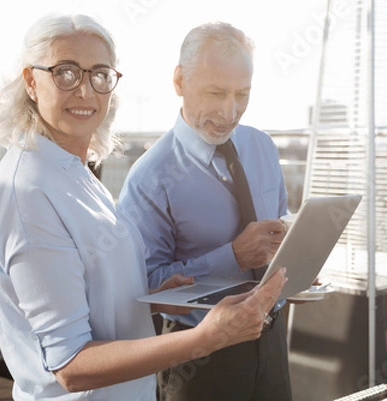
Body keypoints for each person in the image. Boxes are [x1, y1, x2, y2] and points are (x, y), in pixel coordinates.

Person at [0, 13, 287, 401]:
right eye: (66, 73)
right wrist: (206, 338)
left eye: (99, 74)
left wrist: (153, 295)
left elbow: (94, 294)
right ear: (31, 82)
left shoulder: (75, 174)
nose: (86, 92)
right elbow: (70, 366)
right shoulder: (24, 192)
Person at [118, 21, 293, 400]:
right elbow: (144, 288)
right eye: (215, 92)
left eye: (242, 94)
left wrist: (296, 263)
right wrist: (232, 257)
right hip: (199, 355)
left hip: (273, 337)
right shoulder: (149, 177)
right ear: (180, 81)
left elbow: (279, 229)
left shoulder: (262, 147)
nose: (230, 112)